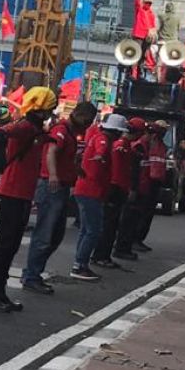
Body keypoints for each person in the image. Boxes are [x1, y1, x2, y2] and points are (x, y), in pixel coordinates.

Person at [0, 87, 55, 314]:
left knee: (9, 246)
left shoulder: (32, 127)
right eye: (50, 108)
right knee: (4, 246)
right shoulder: (24, 126)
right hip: (12, 193)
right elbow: (2, 133)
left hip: (20, 193)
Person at [21, 101, 97, 294]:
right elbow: (52, 152)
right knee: (45, 233)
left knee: (55, 235)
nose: (87, 125)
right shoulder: (61, 130)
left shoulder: (70, 133)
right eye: (86, 120)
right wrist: (53, 174)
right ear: (79, 115)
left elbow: (64, 156)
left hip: (61, 186)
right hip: (51, 186)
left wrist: (75, 168)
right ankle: (31, 275)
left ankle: (33, 272)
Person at [71, 113, 129, 281]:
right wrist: (101, 158)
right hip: (91, 191)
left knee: (86, 230)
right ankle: (80, 265)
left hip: (86, 190)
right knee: (93, 231)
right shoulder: (103, 140)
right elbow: (100, 154)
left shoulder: (98, 138)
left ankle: (79, 263)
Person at [92, 116, 145, 269]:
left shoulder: (126, 145)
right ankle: (100, 255)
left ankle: (104, 254)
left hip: (119, 188)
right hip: (115, 188)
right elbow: (117, 169)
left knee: (112, 224)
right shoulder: (120, 146)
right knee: (108, 225)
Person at [116, 120, 168, 258]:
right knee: (129, 219)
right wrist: (133, 188)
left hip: (145, 186)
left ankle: (127, 245)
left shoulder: (148, 147)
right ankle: (123, 246)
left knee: (136, 217)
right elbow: (134, 171)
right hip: (138, 187)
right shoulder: (138, 147)